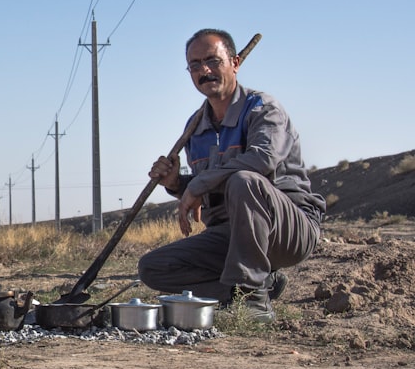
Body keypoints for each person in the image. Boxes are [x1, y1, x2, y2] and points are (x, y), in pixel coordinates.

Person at [137, 28, 325, 323]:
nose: (205, 71)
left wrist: (198, 183)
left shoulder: (263, 109)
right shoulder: (195, 127)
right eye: (195, 65)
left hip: (287, 231)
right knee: (153, 267)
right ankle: (256, 286)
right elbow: (210, 191)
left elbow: (262, 161)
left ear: (235, 63)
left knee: (244, 179)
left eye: (213, 61)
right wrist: (176, 183)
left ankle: (253, 299)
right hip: (230, 237)